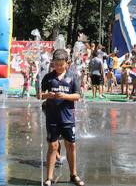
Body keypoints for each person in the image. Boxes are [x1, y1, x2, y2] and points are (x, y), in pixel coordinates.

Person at [40, 49, 84, 186]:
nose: (58, 67)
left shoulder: (73, 77)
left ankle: (73, 174)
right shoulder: (48, 77)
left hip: (67, 117)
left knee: (71, 145)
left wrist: (64, 96)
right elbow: (40, 94)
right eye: (56, 64)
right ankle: (49, 178)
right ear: (53, 63)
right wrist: (49, 95)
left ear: (67, 63)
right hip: (52, 117)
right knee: (53, 146)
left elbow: (77, 96)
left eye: (61, 65)